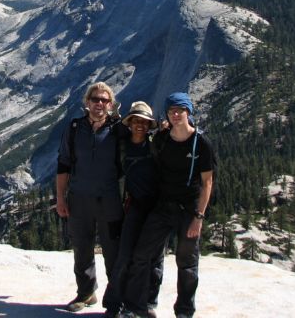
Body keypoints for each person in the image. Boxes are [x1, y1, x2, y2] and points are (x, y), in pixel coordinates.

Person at [120, 92, 215, 318]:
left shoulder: (201, 143)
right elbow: (140, 138)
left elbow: (207, 182)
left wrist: (198, 217)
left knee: (187, 263)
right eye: (171, 110)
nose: (175, 114)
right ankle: (138, 306)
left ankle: (184, 312)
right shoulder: (161, 139)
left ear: (188, 112)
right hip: (163, 206)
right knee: (143, 254)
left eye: (179, 110)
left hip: (188, 210)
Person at [56, 82, 125, 313]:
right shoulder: (74, 128)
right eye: (95, 99)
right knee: (81, 248)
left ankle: (115, 301)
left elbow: (135, 156)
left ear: (111, 104)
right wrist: (60, 198)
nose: (99, 104)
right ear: (87, 102)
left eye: (104, 100)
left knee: (113, 251)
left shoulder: (118, 130)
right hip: (79, 198)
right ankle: (86, 293)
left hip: (109, 200)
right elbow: (63, 164)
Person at [102, 101, 164, 318]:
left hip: (157, 208)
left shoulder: (155, 144)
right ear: (130, 123)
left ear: (149, 125)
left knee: (155, 258)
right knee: (125, 255)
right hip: (135, 206)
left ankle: (147, 303)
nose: (140, 125)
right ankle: (114, 304)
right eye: (136, 121)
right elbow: (110, 127)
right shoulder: (122, 144)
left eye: (144, 122)